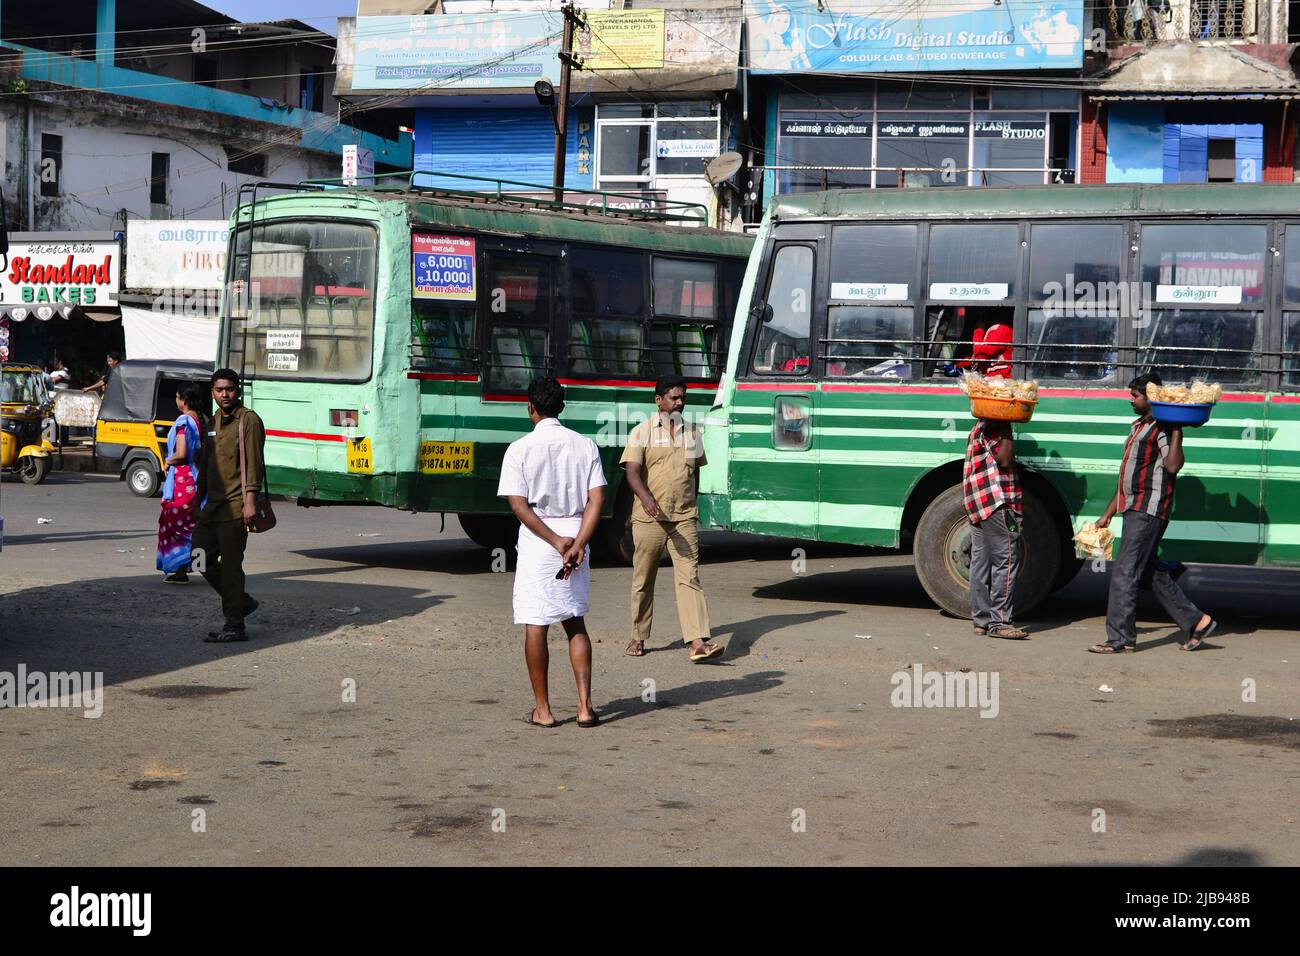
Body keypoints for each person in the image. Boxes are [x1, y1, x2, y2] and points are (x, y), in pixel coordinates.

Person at [497, 375, 605, 728]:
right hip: (577, 534)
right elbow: (596, 500)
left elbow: (518, 506)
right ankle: (585, 707)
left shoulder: (519, 449)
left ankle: (543, 710)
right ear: (562, 406)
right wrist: (579, 542)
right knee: (575, 623)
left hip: (540, 541)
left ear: (530, 408)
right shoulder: (585, 445)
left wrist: (556, 542)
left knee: (536, 625)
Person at [1089, 373, 1216, 654]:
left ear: (1151, 398)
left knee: (1124, 572)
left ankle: (1120, 639)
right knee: (1148, 571)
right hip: (1134, 506)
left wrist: (1177, 431)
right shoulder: (1138, 427)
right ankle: (1197, 621)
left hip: (1149, 509)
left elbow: (1172, 466)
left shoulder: (1162, 428)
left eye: (1135, 395)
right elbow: (1127, 476)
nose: (1130, 399)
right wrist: (1108, 513)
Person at [620, 375, 722, 661]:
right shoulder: (641, 432)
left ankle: (697, 641)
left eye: (682, 397)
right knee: (644, 578)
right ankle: (638, 636)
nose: (679, 402)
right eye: (674, 397)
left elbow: (696, 471)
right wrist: (646, 497)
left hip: (683, 517)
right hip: (649, 518)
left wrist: (694, 503)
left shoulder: (692, 434)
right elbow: (631, 471)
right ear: (659, 400)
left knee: (689, 577)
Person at [192, 369, 265, 643]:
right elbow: (205, 466)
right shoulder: (212, 423)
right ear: (212, 391)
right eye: (220, 389)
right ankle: (242, 601)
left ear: (239, 390)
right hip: (212, 507)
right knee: (199, 556)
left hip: (235, 508)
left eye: (230, 389)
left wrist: (250, 503)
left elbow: (254, 464)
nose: (225, 394)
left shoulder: (249, 422)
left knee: (232, 567)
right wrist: (197, 501)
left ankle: (235, 624)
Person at [963, 416, 1028, 640]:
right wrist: (1009, 430)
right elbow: (1004, 460)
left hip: (978, 501)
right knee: (1007, 559)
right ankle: (1000, 622)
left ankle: (980, 621)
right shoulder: (995, 427)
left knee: (980, 562)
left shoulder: (978, 426)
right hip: (996, 500)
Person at [156, 384, 206, 584]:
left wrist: (168, 461)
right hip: (195, 479)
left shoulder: (184, 421)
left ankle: (180, 571)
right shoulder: (201, 419)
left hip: (181, 481)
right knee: (192, 526)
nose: (176, 400)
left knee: (175, 526)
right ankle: (201, 567)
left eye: (177, 397)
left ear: (183, 400)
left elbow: (182, 453)